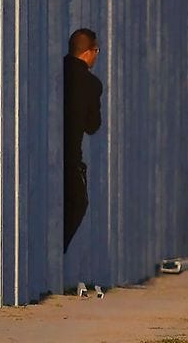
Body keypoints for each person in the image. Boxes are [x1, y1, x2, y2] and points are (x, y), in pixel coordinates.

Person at [64, 28, 103, 253]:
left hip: (36, 153)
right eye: (96, 50)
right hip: (69, 158)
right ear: (88, 52)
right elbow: (92, 126)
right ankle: (57, 253)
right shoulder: (91, 83)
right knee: (78, 204)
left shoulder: (57, 69)